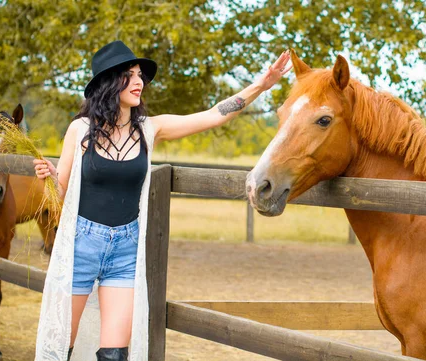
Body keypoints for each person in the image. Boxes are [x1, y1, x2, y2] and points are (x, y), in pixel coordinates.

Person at [32, 40, 291, 361]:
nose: (139, 81)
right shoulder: (79, 130)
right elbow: (58, 196)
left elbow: (213, 115)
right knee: (60, 349)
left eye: (141, 75)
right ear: (109, 82)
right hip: (81, 246)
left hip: (124, 253)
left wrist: (261, 86)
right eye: (130, 74)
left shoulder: (149, 129)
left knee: (114, 354)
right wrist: (47, 179)